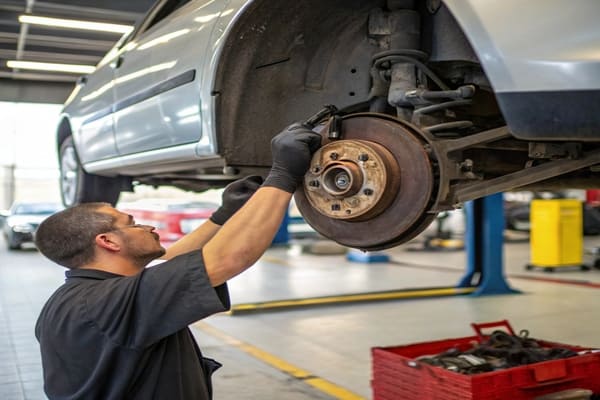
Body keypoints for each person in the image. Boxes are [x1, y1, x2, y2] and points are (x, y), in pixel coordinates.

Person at [34, 123, 322, 400]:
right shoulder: (108, 303)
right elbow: (226, 259)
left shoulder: (74, 300)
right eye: (132, 223)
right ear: (108, 242)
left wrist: (224, 214)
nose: (146, 227)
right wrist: (282, 175)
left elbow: (170, 264)